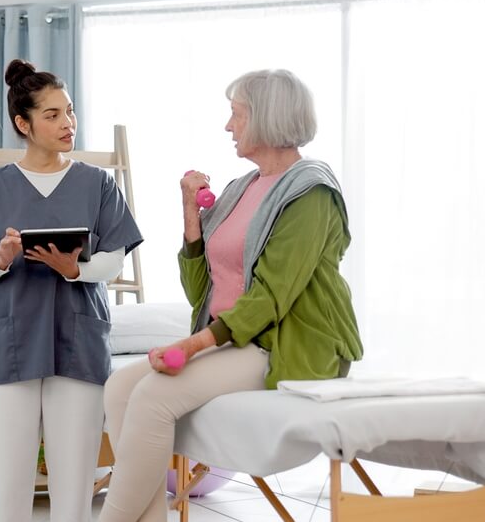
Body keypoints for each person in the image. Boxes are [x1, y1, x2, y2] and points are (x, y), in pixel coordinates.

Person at [97, 69, 363, 522]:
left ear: (267, 117)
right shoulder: (243, 188)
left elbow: (271, 298)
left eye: (236, 114)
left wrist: (192, 345)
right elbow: (202, 292)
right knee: (121, 386)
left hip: (280, 342)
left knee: (152, 396)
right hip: (232, 338)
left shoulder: (312, 192)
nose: (228, 126)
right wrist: (190, 216)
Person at [0, 59, 143, 522]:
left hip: (76, 343)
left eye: (69, 111)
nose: (67, 122)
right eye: (52, 115)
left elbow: (114, 259)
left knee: (74, 482)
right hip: (9, 345)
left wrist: (75, 270)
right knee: (5, 482)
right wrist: (0, 259)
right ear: (24, 124)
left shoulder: (97, 184)